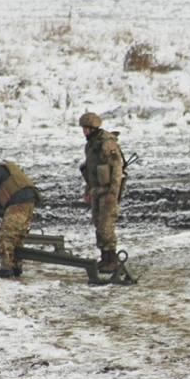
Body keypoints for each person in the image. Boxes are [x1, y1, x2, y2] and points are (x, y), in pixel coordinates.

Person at [78, 112, 124, 273]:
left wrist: (114, 193)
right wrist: (88, 190)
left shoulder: (106, 143)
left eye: (86, 128)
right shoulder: (91, 145)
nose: (84, 132)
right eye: (83, 128)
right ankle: (104, 258)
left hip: (107, 191)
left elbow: (117, 170)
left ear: (93, 128)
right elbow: (91, 172)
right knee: (98, 224)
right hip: (97, 190)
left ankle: (112, 259)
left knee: (106, 226)